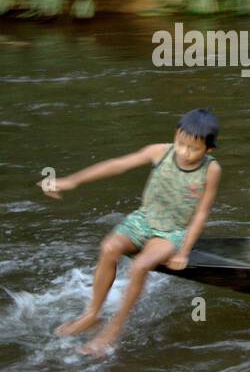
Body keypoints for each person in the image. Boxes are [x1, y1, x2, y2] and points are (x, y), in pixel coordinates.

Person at [41, 108, 222, 356]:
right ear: (175, 136)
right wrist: (72, 181)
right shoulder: (158, 152)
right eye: (180, 144)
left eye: (193, 149)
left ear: (209, 149)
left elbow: (202, 212)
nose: (184, 152)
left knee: (140, 266)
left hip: (172, 232)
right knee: (109, 247)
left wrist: (184, 251)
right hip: (143, 220)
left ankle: (114, 329)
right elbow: (118, 165)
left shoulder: (211, 169)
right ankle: (92, 314)